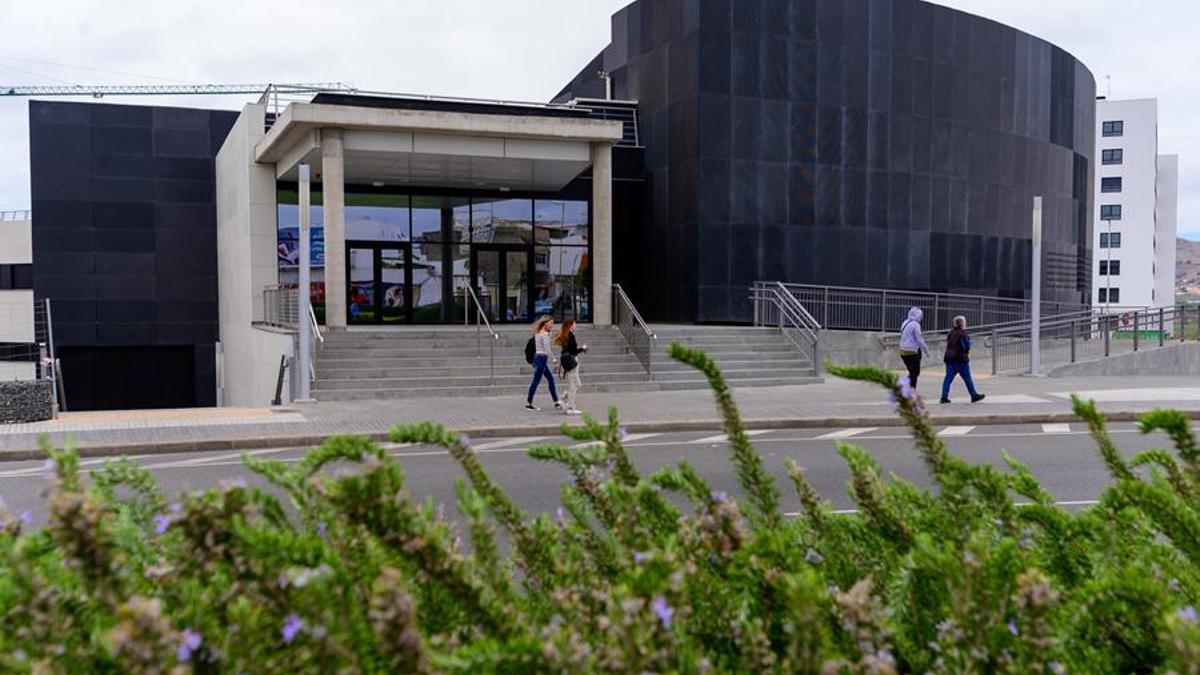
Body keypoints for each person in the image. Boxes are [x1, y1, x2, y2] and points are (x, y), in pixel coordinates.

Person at [941, 315, 986, 404]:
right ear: (962, 323)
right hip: (961, 360)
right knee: (967, 378)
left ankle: (944, 396)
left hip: (949, 359)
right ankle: (973, 395)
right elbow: (966, 346)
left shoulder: (950, 332)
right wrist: (969, 344)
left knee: (948, 379)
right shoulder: (963, 333)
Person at [525, 315, 563, 411]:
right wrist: (554, 360)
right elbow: (547, 349)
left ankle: (556, 402)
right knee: (536, 381)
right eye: (550, 323)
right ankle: (529, 403)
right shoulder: (544, 334)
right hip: (541, 359)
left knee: (550, 379)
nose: (552, 325)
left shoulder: (538, 333)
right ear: (545, 323)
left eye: (552, 324)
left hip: (539, 359)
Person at [553, 318, 588, 415]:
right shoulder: (570, 336)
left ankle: (566, 399)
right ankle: (571, 407)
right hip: (572, 362)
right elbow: (573, 351)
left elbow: (566, 350)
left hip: (569, 362)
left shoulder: (566, 335)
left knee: (577, 384)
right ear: (571, 325)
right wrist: (583, 348)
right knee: (573, 386)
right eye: (574, 324)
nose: (575, 325)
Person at [898, 307, 930, 389]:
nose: (921, 317)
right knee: (915, 372)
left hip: (902, 350)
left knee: (913, 372)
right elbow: (919, 339)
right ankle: (911, 390)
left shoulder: (905, 322)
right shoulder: (915, 325)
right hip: (912, 351)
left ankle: (904, 385)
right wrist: (926, 350)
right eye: (920, 315)